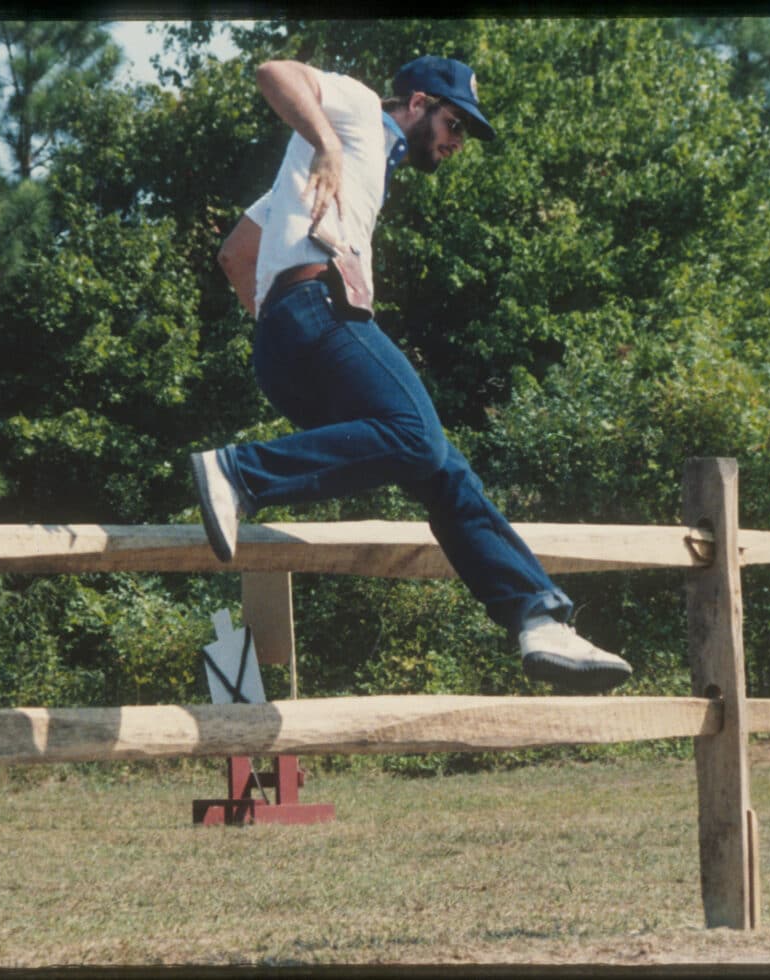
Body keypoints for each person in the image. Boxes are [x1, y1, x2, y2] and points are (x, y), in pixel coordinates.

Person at [192, 55, 632, 694]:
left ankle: (537, 619)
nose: (456, 143)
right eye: (455, 124)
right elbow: (275, 72)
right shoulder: (359, 114)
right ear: (418, 103)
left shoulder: (329, 169)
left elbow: (235, 255)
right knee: (419, 437)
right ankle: (240, 473)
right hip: (319, 313)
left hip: (284, 348)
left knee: (439, 469)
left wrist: (275, 321)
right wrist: (325, 146)